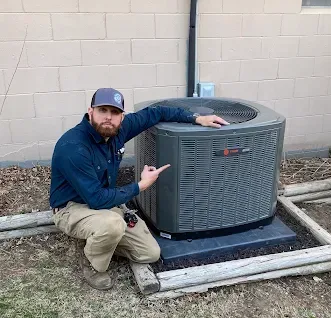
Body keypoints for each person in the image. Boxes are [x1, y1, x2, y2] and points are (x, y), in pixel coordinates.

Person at [50, 88, 229, 290]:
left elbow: (158, 112)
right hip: (72, 207)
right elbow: (97, 199)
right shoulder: (74, 147)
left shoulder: (119, 129)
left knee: (150, 253)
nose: (108, 117)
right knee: (112, 225)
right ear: (90, 111)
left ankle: (103, 238)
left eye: (115, 112)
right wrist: (141, 185)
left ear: (122, 116)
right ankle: (92, 262)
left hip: (104, 203)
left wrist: (197, 118)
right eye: (103, 110)